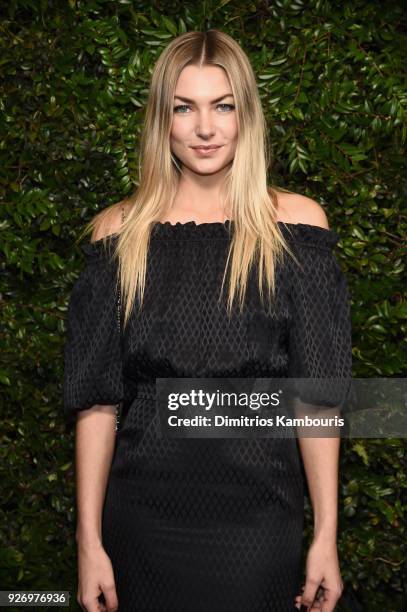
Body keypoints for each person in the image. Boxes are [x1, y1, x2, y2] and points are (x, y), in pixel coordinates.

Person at [63, 29, 352, 612]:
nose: (204, 128)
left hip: (260, 516)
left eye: (222, 106)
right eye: (184, 108)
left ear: (246, 114)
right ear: (161, 120)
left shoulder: (296, 228)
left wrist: (325, 536)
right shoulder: (118, 235)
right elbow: (98, 403)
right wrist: (88, 542)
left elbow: (317, 399)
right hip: (141, 518)